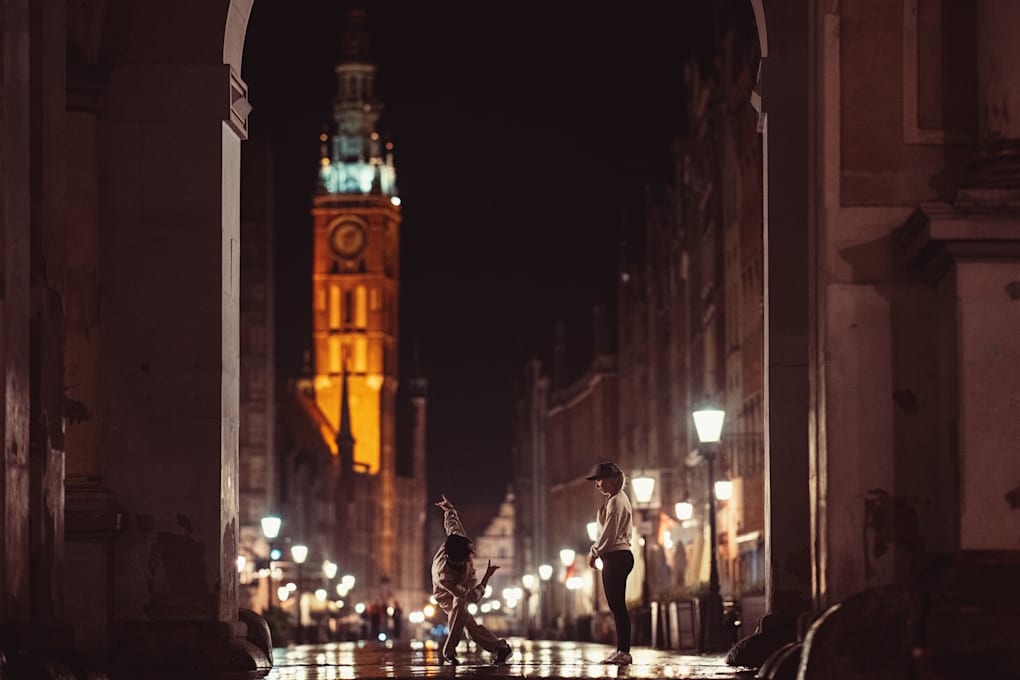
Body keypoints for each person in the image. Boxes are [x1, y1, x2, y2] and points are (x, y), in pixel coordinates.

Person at [431, 494, 513, 665]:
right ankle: (449, 651)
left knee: (469, 625)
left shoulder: (457, 539)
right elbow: (473, 598)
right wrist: (486, 577)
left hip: (464, 581)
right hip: (444, 593)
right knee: (459, 608)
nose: (472, 557)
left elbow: (451, 524)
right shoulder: (446, 577)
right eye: (469, 557)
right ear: (459, 561)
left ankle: (499, 648)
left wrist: (449, 509)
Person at [586, 461, 635, 665]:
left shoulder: (617, 501)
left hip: (617, 556)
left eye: (600, 479)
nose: (597, 484)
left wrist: (594, 552)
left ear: (613, 479)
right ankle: (621, 650)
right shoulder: (614, 500)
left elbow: (610, 533)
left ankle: (624, 652)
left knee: (618, 606)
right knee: (616, 605)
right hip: (615, 556)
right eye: (596, 480)